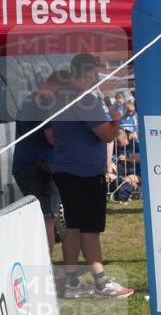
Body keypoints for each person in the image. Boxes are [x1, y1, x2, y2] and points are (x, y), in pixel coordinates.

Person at [51, 53, 133, 299]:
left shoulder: (61, 96)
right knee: (88, 229)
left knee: (73, 227)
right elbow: (107, 135)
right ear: (87, 73)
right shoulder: (84, 99)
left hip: (68, 170)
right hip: (83, 174)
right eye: (97, 73)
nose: (100, 78)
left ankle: (73, 282)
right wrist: (117, 118)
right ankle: (101, 283)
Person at [12, 72, 63, 260]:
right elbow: (52, 139)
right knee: (48, 219)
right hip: (41, 168)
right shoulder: (45, 104)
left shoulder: (28, 100)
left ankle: (41, 262)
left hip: (24, 165)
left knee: (40, 219)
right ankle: (47, 266)